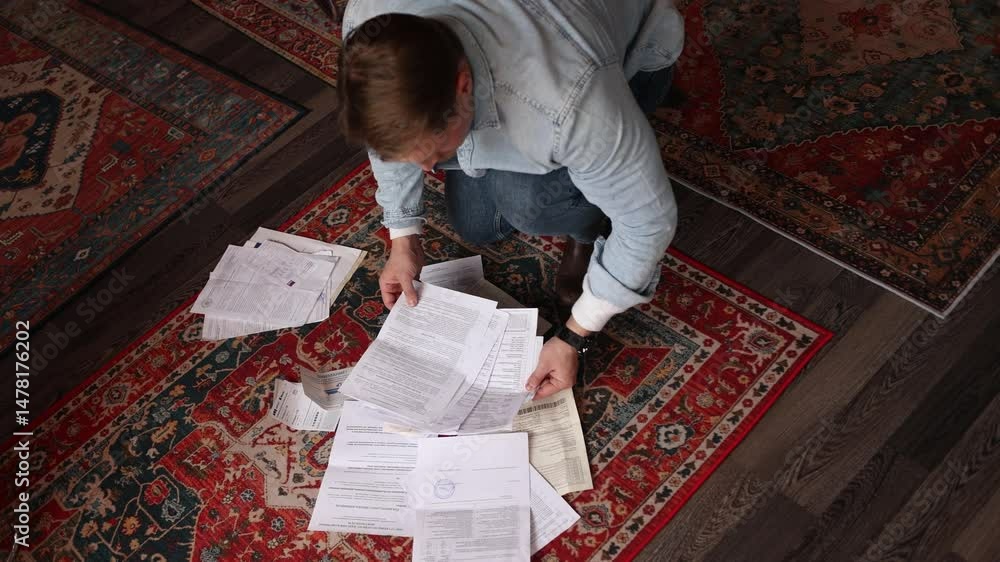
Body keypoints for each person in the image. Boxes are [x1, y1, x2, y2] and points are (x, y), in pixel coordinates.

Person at [338, 1, 683, 399]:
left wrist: (575, 335)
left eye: (433, 151)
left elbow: (648, 224)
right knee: (477, 224)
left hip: (633, 56)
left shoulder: (573, 103)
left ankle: (586, 229)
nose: (429, 168)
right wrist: (404, 238)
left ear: (463, 85)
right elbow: (387, 140)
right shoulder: (370, 28)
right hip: (516, 89)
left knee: (527, 206)